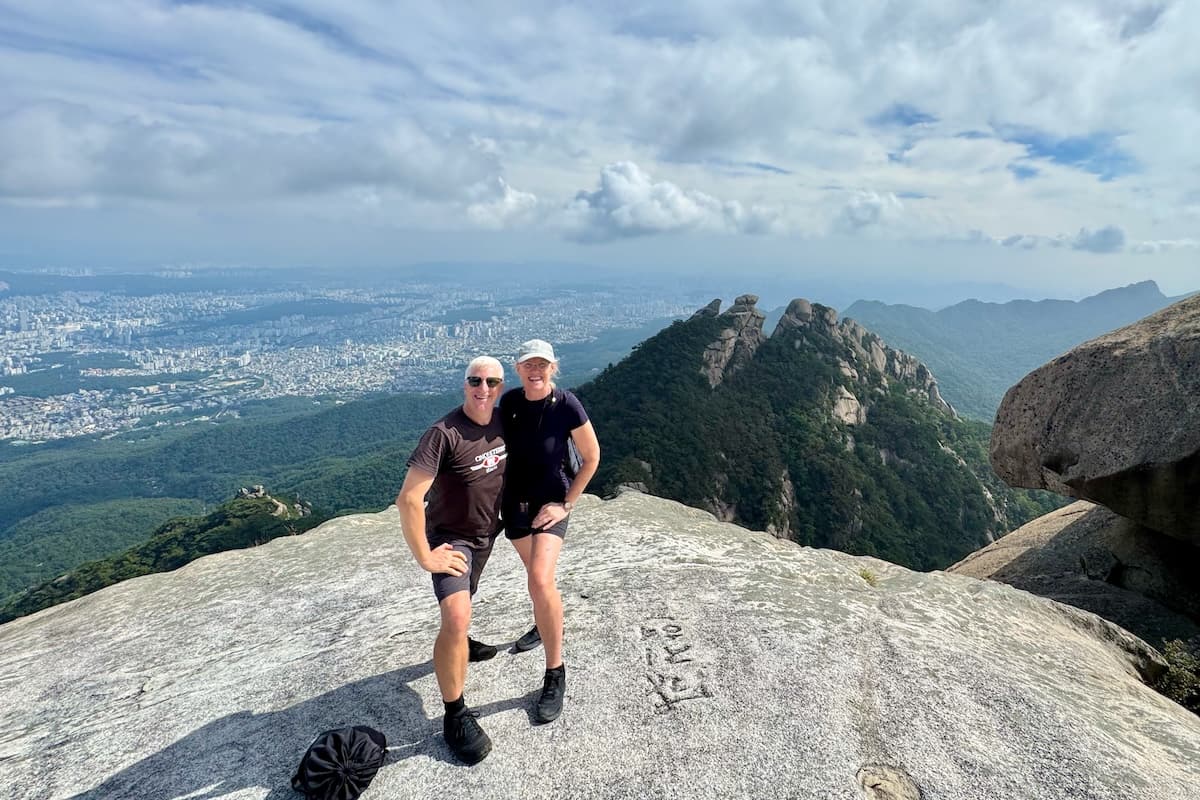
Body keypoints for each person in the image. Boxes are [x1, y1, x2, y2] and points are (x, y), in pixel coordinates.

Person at [396, 356, 507, 765]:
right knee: (456, 616)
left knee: (467, 601)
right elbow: (408, 499)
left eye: (492, 381)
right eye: (475, 380)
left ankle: (460, 645)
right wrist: (425, 556)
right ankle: (455, 715)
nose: (483, 388)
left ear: (500, 387)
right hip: (452, 539)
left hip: (486, 534)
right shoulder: (443, 434)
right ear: (464, 385)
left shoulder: (503, 421)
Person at [500, 339, 600, 724]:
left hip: (550, 504)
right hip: (515, 506)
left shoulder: (566, 405)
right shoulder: (509, 403)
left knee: (540, 579)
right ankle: (546, 623)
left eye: (542, 364)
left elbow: (591, 458)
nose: (535, 370)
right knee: (538, 580)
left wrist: (567, 503)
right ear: (518, 368)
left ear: (553, 368)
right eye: (529, 364)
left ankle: (555, 671)